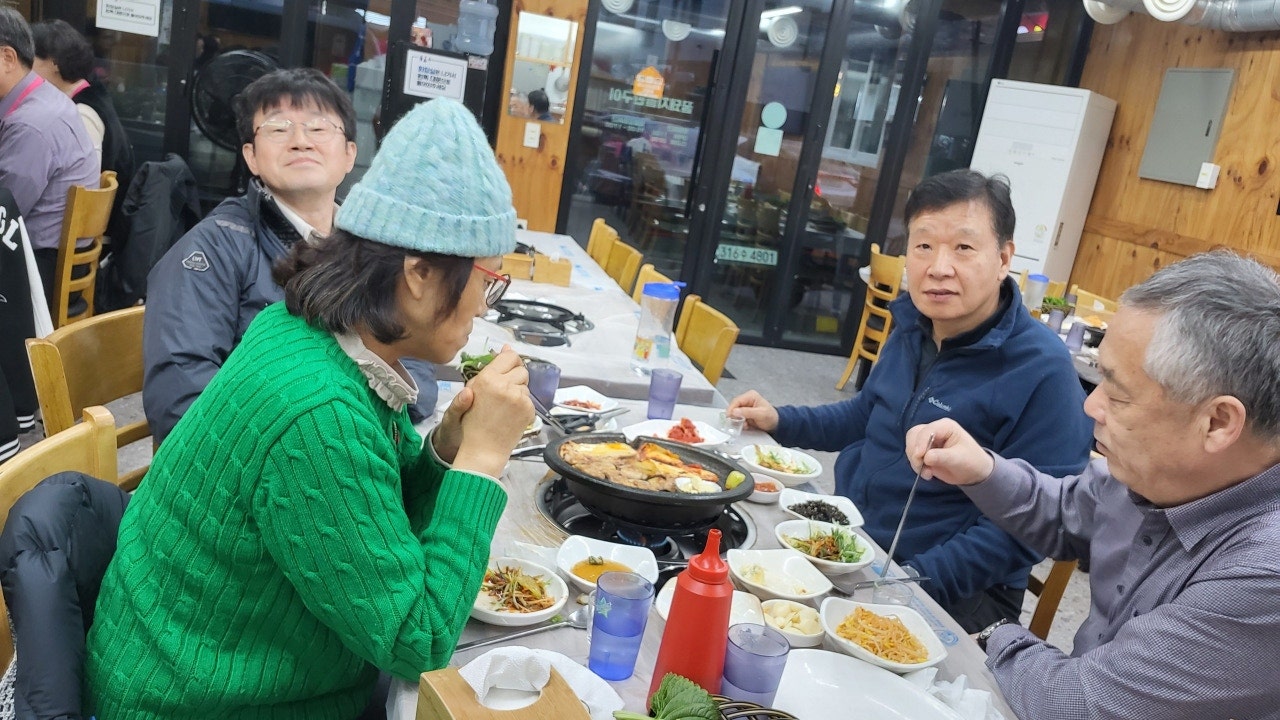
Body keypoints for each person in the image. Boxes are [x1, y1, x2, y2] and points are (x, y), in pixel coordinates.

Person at [84, 98, 531, 718]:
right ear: (419, 274)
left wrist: (444, 449)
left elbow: (367, 511)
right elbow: (418, 639)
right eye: (488, 280)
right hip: (193, 702)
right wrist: (482, 462)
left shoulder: (308, 332)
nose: (483, 305)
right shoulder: (318, 413)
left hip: (208, 666)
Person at [906, 251, 1280, 719]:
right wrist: (982, 469)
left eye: (1117, 395)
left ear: (1218, 422)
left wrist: (997, 633)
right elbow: (1065, 512)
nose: (1091, 407)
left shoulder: (1263, 573)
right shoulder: (1152, 472)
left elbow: (1080, 704)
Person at [728, 170, 1093, 632]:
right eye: (923, 246)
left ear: (1003, 258)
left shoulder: (1044, 369)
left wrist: (905, 583)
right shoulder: (914, 326)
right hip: (854, 543)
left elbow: (1024, 530)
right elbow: (865, 415)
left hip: (954, 591)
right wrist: (780, 420)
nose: (939, 267)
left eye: (963, 247)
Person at [142, 68, 437, 445]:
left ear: (349, 154)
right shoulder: (211, 251)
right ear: (251, 157)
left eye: (318, 127)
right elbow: (180, 403)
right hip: (261, 467)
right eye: (278, 129)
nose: (300, 141)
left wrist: (356, 433)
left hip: (353, 453)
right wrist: (327, 442)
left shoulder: (372, 246)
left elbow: (416, 363)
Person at [0, 7, 99, 305]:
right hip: (48, 256)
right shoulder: (44, 96)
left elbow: (6, 210)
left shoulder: (31, 123)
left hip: (38, 268)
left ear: (8, 58)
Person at [31, 19, 136, 248]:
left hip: (86, 239)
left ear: (54, 62)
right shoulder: (92, 93)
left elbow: (84, 192)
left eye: (31, 59)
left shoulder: (82, 112)